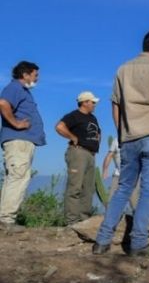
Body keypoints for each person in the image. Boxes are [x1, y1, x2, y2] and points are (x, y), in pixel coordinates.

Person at [93, 30, 149, 256]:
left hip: (129, 138)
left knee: (123, 189)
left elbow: (116, 105)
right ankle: (138, 244)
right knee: (148, 192)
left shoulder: (123, 69)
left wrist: (122, 134)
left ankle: (102, 241)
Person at [0, 61, 46, 230]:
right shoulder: (15, 88)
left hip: (23, 141)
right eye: (35, 75)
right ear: (25, 74)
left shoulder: (22, 91)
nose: (37, 79)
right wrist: (16, 124)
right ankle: (6, 220)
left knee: (15, 177)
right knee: (18, 177)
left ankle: (5, 219)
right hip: (18, 140)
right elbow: (3, 104)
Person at [55, 91, 101, 224]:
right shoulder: (74, 115)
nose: (94, 104)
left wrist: (96, 143)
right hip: (78, 153)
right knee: (75, 187)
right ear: (85, 102)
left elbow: (98, 132)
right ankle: (72, 221)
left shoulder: (93, 118)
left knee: (88, 189)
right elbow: (59, 127)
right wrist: (73, 137)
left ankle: (84, 220)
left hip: (91, 154)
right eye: (93, 102)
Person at [102, 137, 140, 209]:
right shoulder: (116, 140)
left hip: (132, 176)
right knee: (111, 201)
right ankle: (110, 219)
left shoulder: (137, 139)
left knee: (134, 202)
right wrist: (105, 170)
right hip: (118, 176)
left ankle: (138, 219)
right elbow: (109, 155)